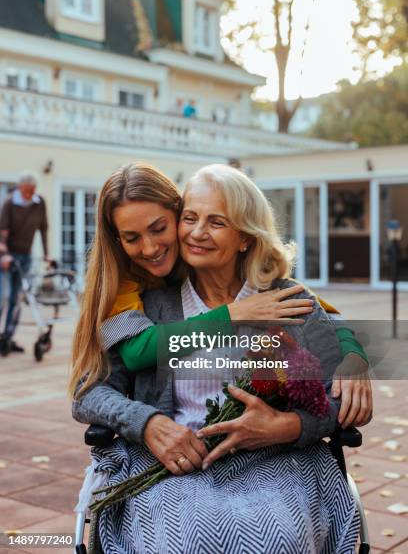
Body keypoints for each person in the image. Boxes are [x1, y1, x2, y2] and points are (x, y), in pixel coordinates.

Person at [71, 163, 369, 553]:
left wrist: (285, 425)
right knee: (173, 542)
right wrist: (147, 422)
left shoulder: (286, 302)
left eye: (216, 222)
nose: (196, 232)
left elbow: (336, 396)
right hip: (174, 461)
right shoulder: (148, 305)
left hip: (273, 461)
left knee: (279, 538)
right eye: (191, 218)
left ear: (245, 236)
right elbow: (89, 391)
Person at [0, 172, 49, 355]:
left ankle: (7, 337)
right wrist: (4, 254)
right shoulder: (9, 203)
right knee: (3, 297)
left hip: (25, 256)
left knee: (16, 299)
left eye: (33, 190)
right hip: (6, 256)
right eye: (27, 191)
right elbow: (2, 231)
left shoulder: (39, 203)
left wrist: (47, 254)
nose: (30, 194)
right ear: (20, 188)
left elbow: (43, 228)